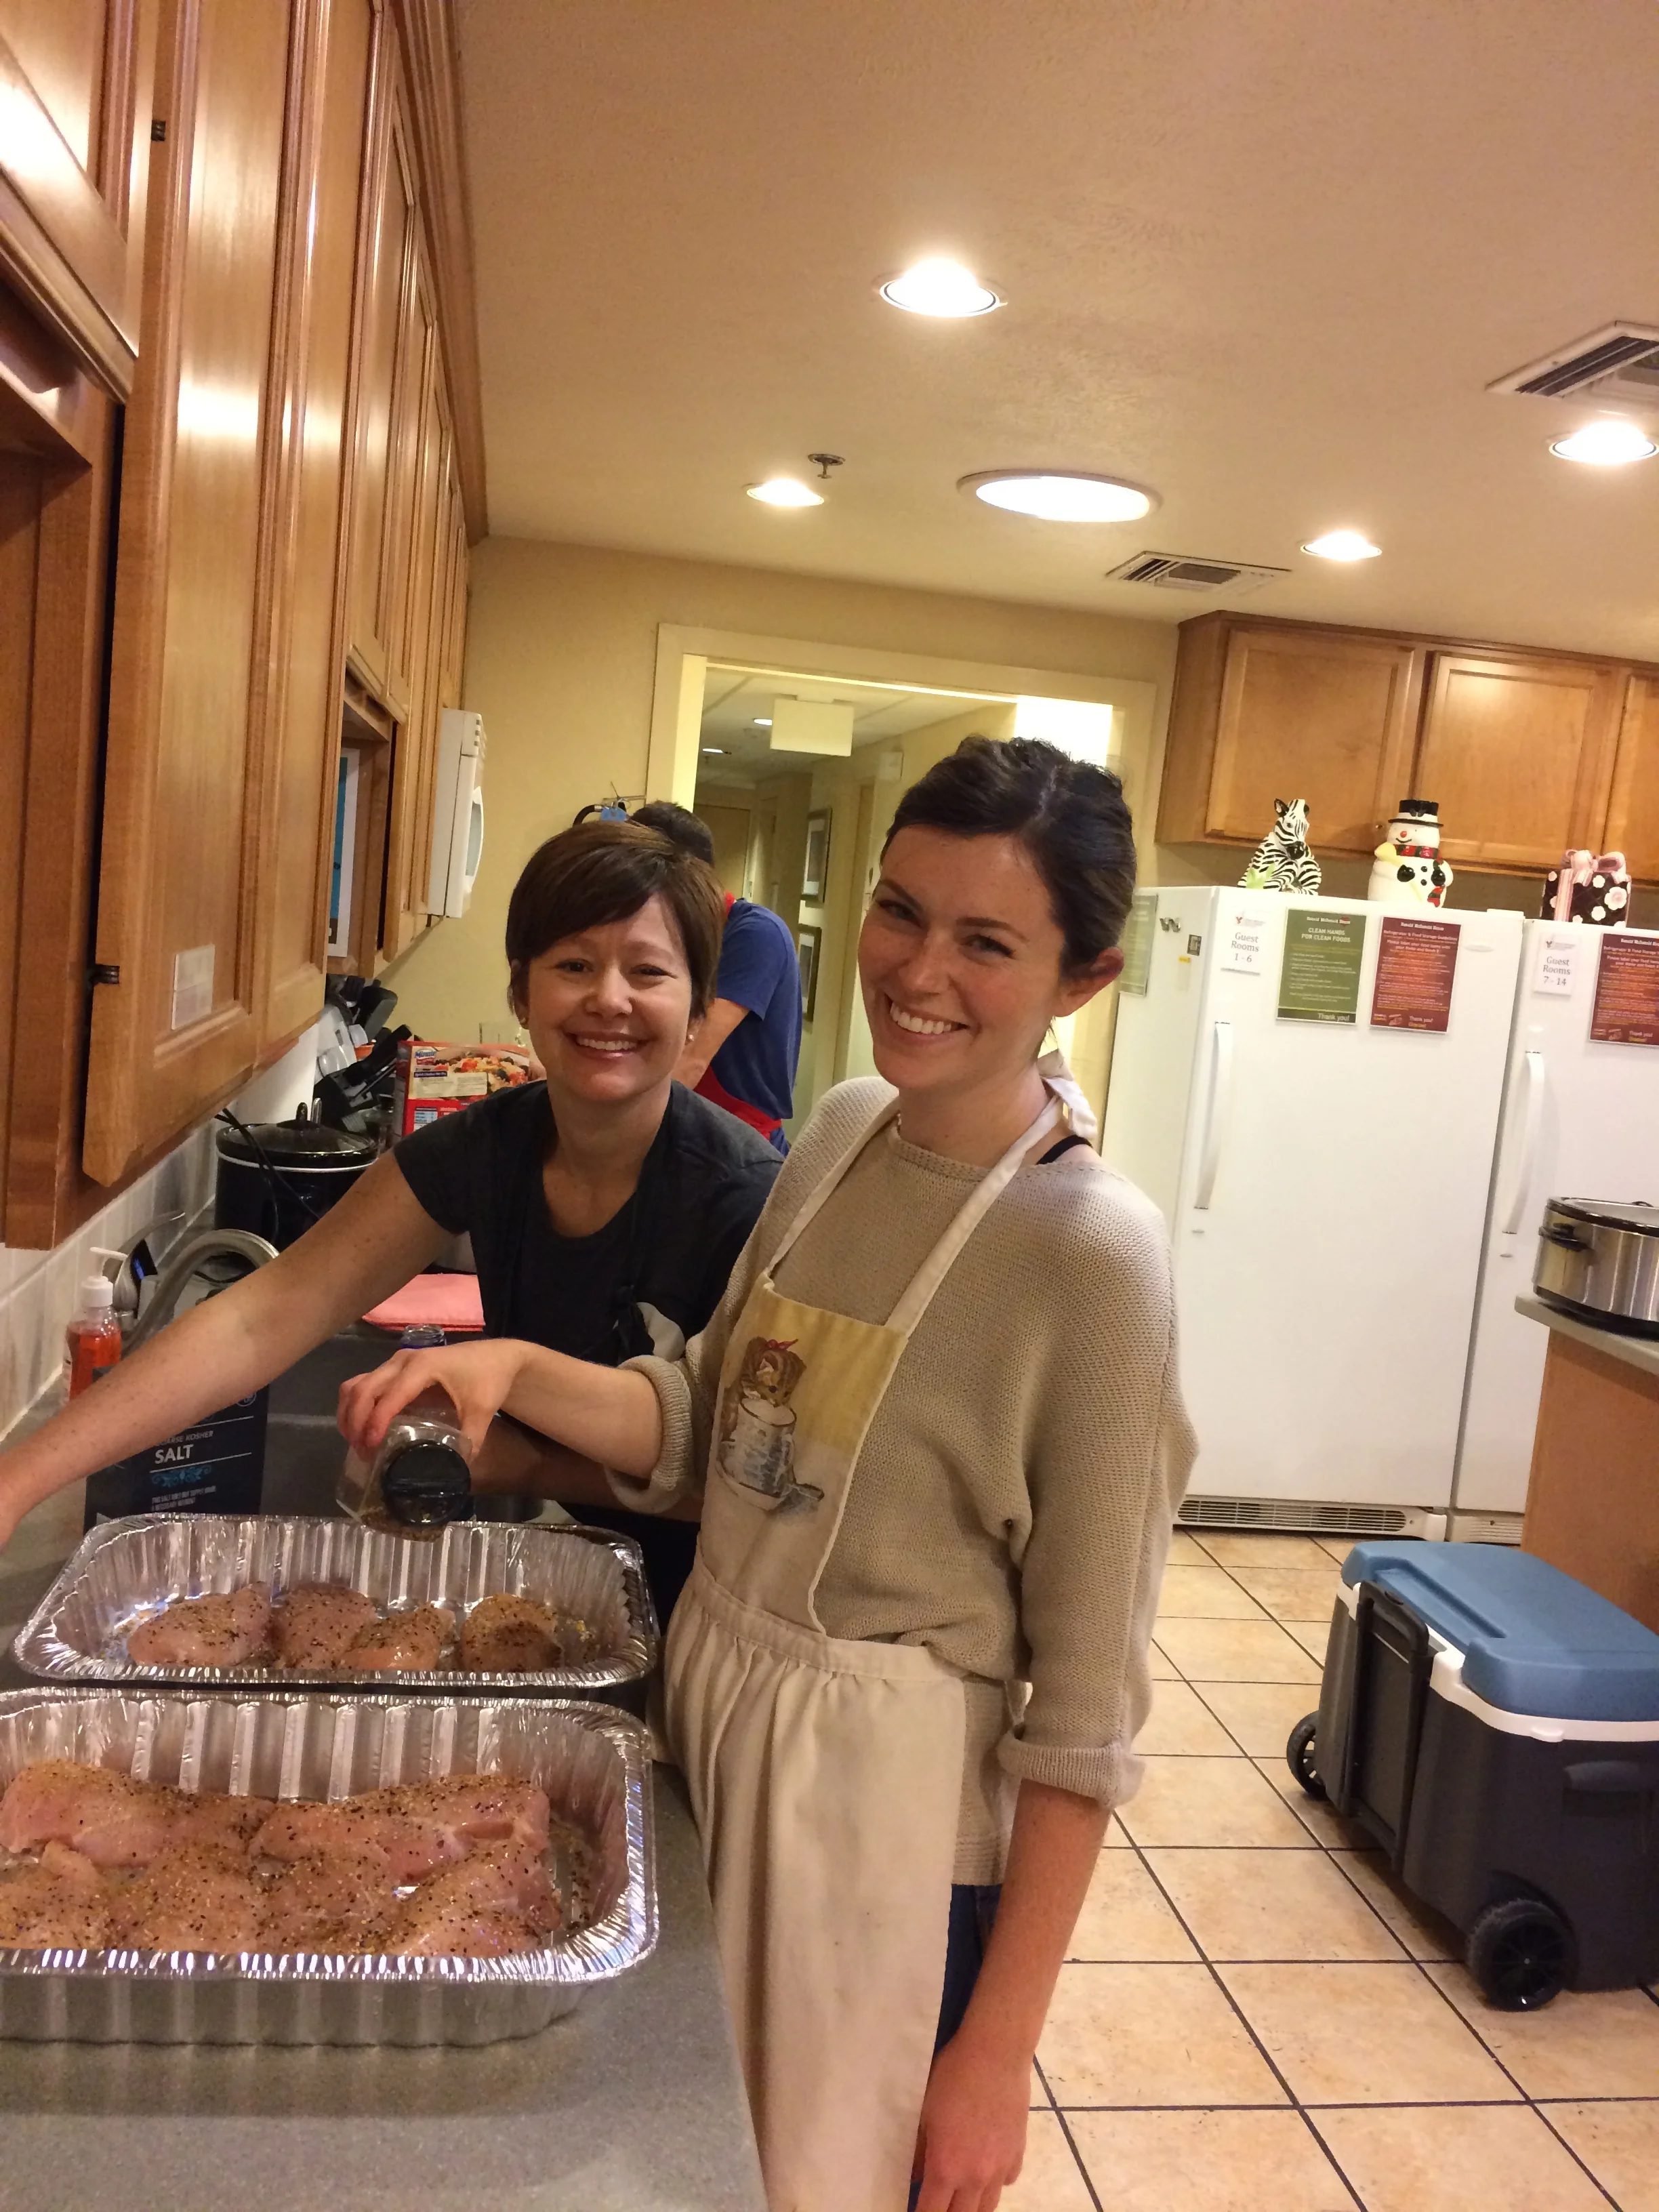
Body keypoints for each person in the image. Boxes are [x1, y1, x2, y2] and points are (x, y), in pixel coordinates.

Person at [339, 739, 1195, 2212]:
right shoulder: (848, 1130)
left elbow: (1087, 1720)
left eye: (987, 942)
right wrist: (510, 1379)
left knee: (822, 2179)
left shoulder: (1093, 1261)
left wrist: (995, 2056)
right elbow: (709, 1427)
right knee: (692, 2158)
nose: (918, 969)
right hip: (718, 1716)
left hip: (890, 1822)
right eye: (901, 910)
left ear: (1084, 978)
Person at [0, 820, 781, 1629]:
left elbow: (760, 1490)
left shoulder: (744, 1203)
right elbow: (258, 1318)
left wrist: (528, 1459)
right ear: (522, 992)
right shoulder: (489, 1147)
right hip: (575, 1591)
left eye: (648, 972)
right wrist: (17, 1482)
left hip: (711, 1623)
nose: (609, 999)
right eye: (574, 965)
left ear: (697, 1008)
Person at [632, 800, 802, 1152]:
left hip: (740, 1143)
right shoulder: (682, 939)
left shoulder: (756, 933)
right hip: (687, 1121)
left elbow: (690, 1058)